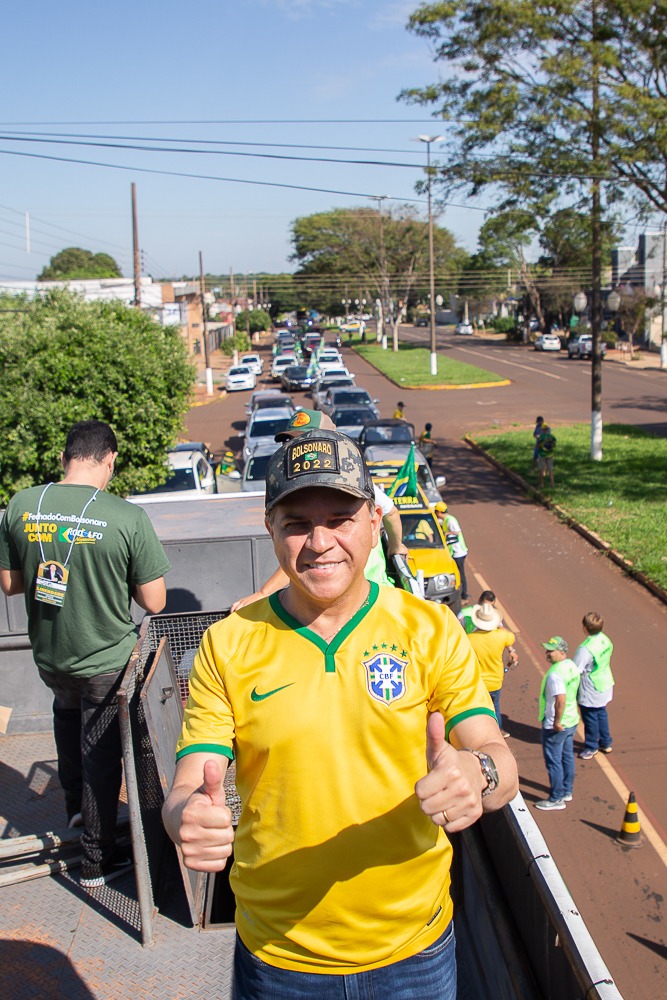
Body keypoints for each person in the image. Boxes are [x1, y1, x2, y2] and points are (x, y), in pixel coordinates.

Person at [163, 428, 518, 998]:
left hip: (415, 954)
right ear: (271, 530)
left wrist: (478, 775)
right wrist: (183, 819)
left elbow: (499, 759)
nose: (320, 541)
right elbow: (187, 783)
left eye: (340, 517)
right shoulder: (227, 644)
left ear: (375, 522)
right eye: (297, 523)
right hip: (277, 960)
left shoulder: (429, 630)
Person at [0, 420, 170, 887]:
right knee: (101, 753)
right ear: (109, 460)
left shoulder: (21, 504)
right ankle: (97, 860)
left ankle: (75, 813)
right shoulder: (126, 517)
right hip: (104, 659)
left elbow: (11, 584)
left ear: (65, 458)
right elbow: (155, 601)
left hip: (51, 656)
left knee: (67, 722)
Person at [230, 409, 408, 609]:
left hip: (369, 597)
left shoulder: (353, 482)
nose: (320, 543)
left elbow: (390, 512)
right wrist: (396, 546)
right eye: (289, 441)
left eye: (341, 521)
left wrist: (396, 547)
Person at [535, 636, 581, 811]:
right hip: (572, 720)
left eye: (551, 651)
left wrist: (556, 722)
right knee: (567, 756)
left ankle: (556, 798)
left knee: (554, 761)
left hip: (558, 724)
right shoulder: (571, 667)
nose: (547, 653)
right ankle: (567, 790)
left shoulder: (555, 674)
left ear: (561, 652)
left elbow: (560, 700)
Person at [466, 601, 518, 738]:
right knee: (496, 707)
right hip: (496, 681)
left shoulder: (470, 639)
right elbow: (511, 637)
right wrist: (500, 627)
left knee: (478, 709)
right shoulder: (502, 636)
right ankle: (498, 730)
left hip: (478, 682)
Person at [574, 612, 615, 759]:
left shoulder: (585, 648)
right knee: (601, 713)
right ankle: (606, 742)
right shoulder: (605, 640)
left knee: (590, 717)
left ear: (585, 628)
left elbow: (576, 669)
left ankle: (591, 746)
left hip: (590, 686)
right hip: (605, 681)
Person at [434, 501, 469, 600]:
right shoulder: (446, 520)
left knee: (460, 574)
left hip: (458, 552)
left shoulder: (450, 520)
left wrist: (446, 534)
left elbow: (457, 532)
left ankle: (464, 594)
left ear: (439, 512)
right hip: (453, 552)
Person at [537, 423, 557, 489]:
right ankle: (552, 484)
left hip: (542, 455)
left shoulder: (541, 437)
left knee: (541, 470)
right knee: (550, 470)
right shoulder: (551, 436)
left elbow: (538, 445)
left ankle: (542, 484)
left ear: (542, 429)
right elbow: (554, 444)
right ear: (548, 429)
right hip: (550, 455)